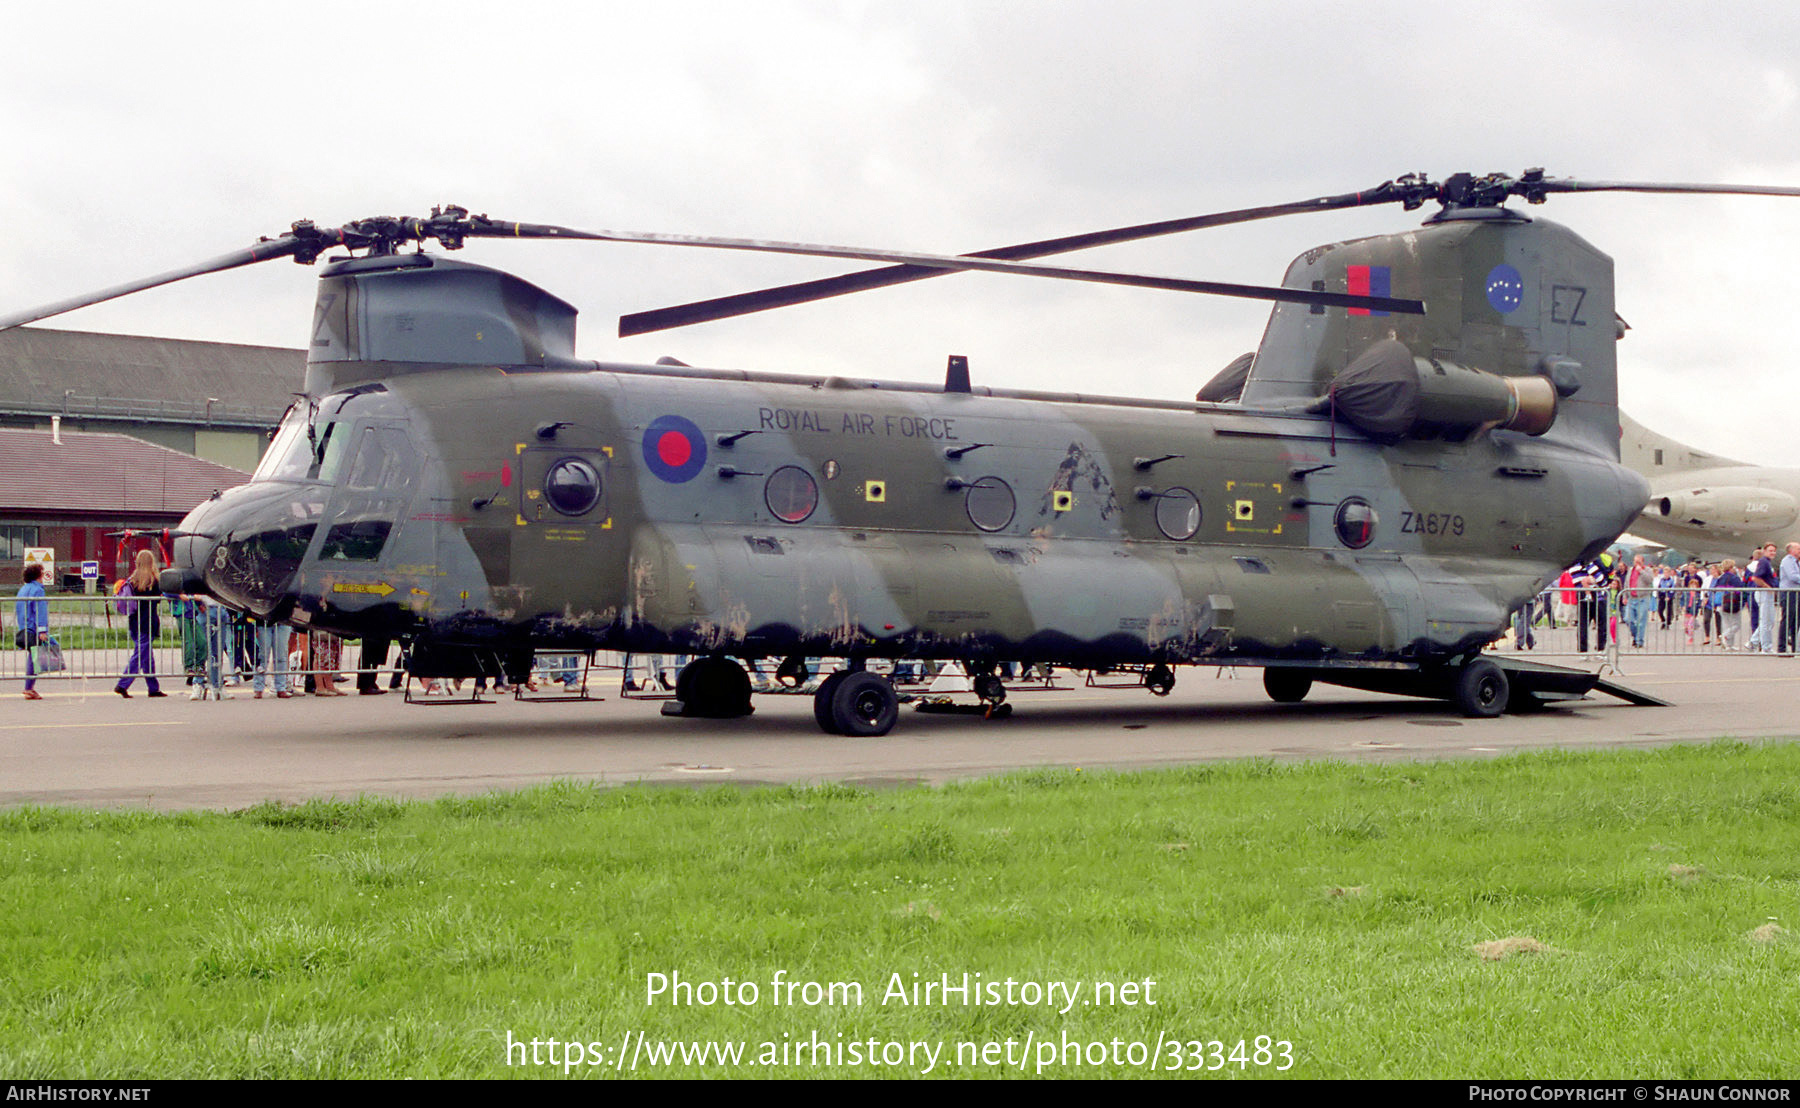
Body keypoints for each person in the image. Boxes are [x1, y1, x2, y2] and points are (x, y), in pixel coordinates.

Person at [114, 550, 166, 698]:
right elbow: (157, 599)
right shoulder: (154, 581)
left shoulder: (132, 580)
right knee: (140, 654)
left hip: (134, 621)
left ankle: (153, 688)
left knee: (146, 657)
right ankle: (123, 684)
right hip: (148, 622)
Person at [15, 563, 48, 700]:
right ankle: (29, 687)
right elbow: (40, 612)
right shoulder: (38, 590)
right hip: (34, 629)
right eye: (42, 573)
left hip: (24, 628)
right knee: (35, 657)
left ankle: (30, 687)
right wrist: (42, 630)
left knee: (34, 655)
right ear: (38, 575)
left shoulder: (23, 589)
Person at [250, 615, 294, 699]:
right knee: (262, 656)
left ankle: (281, 688)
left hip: (283, 621)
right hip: (262, 621)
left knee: (281, 657)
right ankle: (258, 688)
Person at [1747, 543, 1779, 653]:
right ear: (1764, 551)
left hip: (1766, 593)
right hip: (1763, 592)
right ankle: (1766, 647)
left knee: (1769, 620)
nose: (1773, 553)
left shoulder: (1767, 563)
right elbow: (1755, 577)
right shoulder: (1764, 562)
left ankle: (1753, 641)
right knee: (1766, 621)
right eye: (1770, 550)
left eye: (1774, 551)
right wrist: (1766, 586)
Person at [1781, 543, 1800, 655]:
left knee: (1796, 621)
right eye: (1798, 548)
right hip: (1789, 593)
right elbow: (1792, 576)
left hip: (1796, 592)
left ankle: (1795, 648)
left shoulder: (1797, 562)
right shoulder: (1787, 561)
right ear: (1791, 550)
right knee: (1787, 620)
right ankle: (1782, 648)